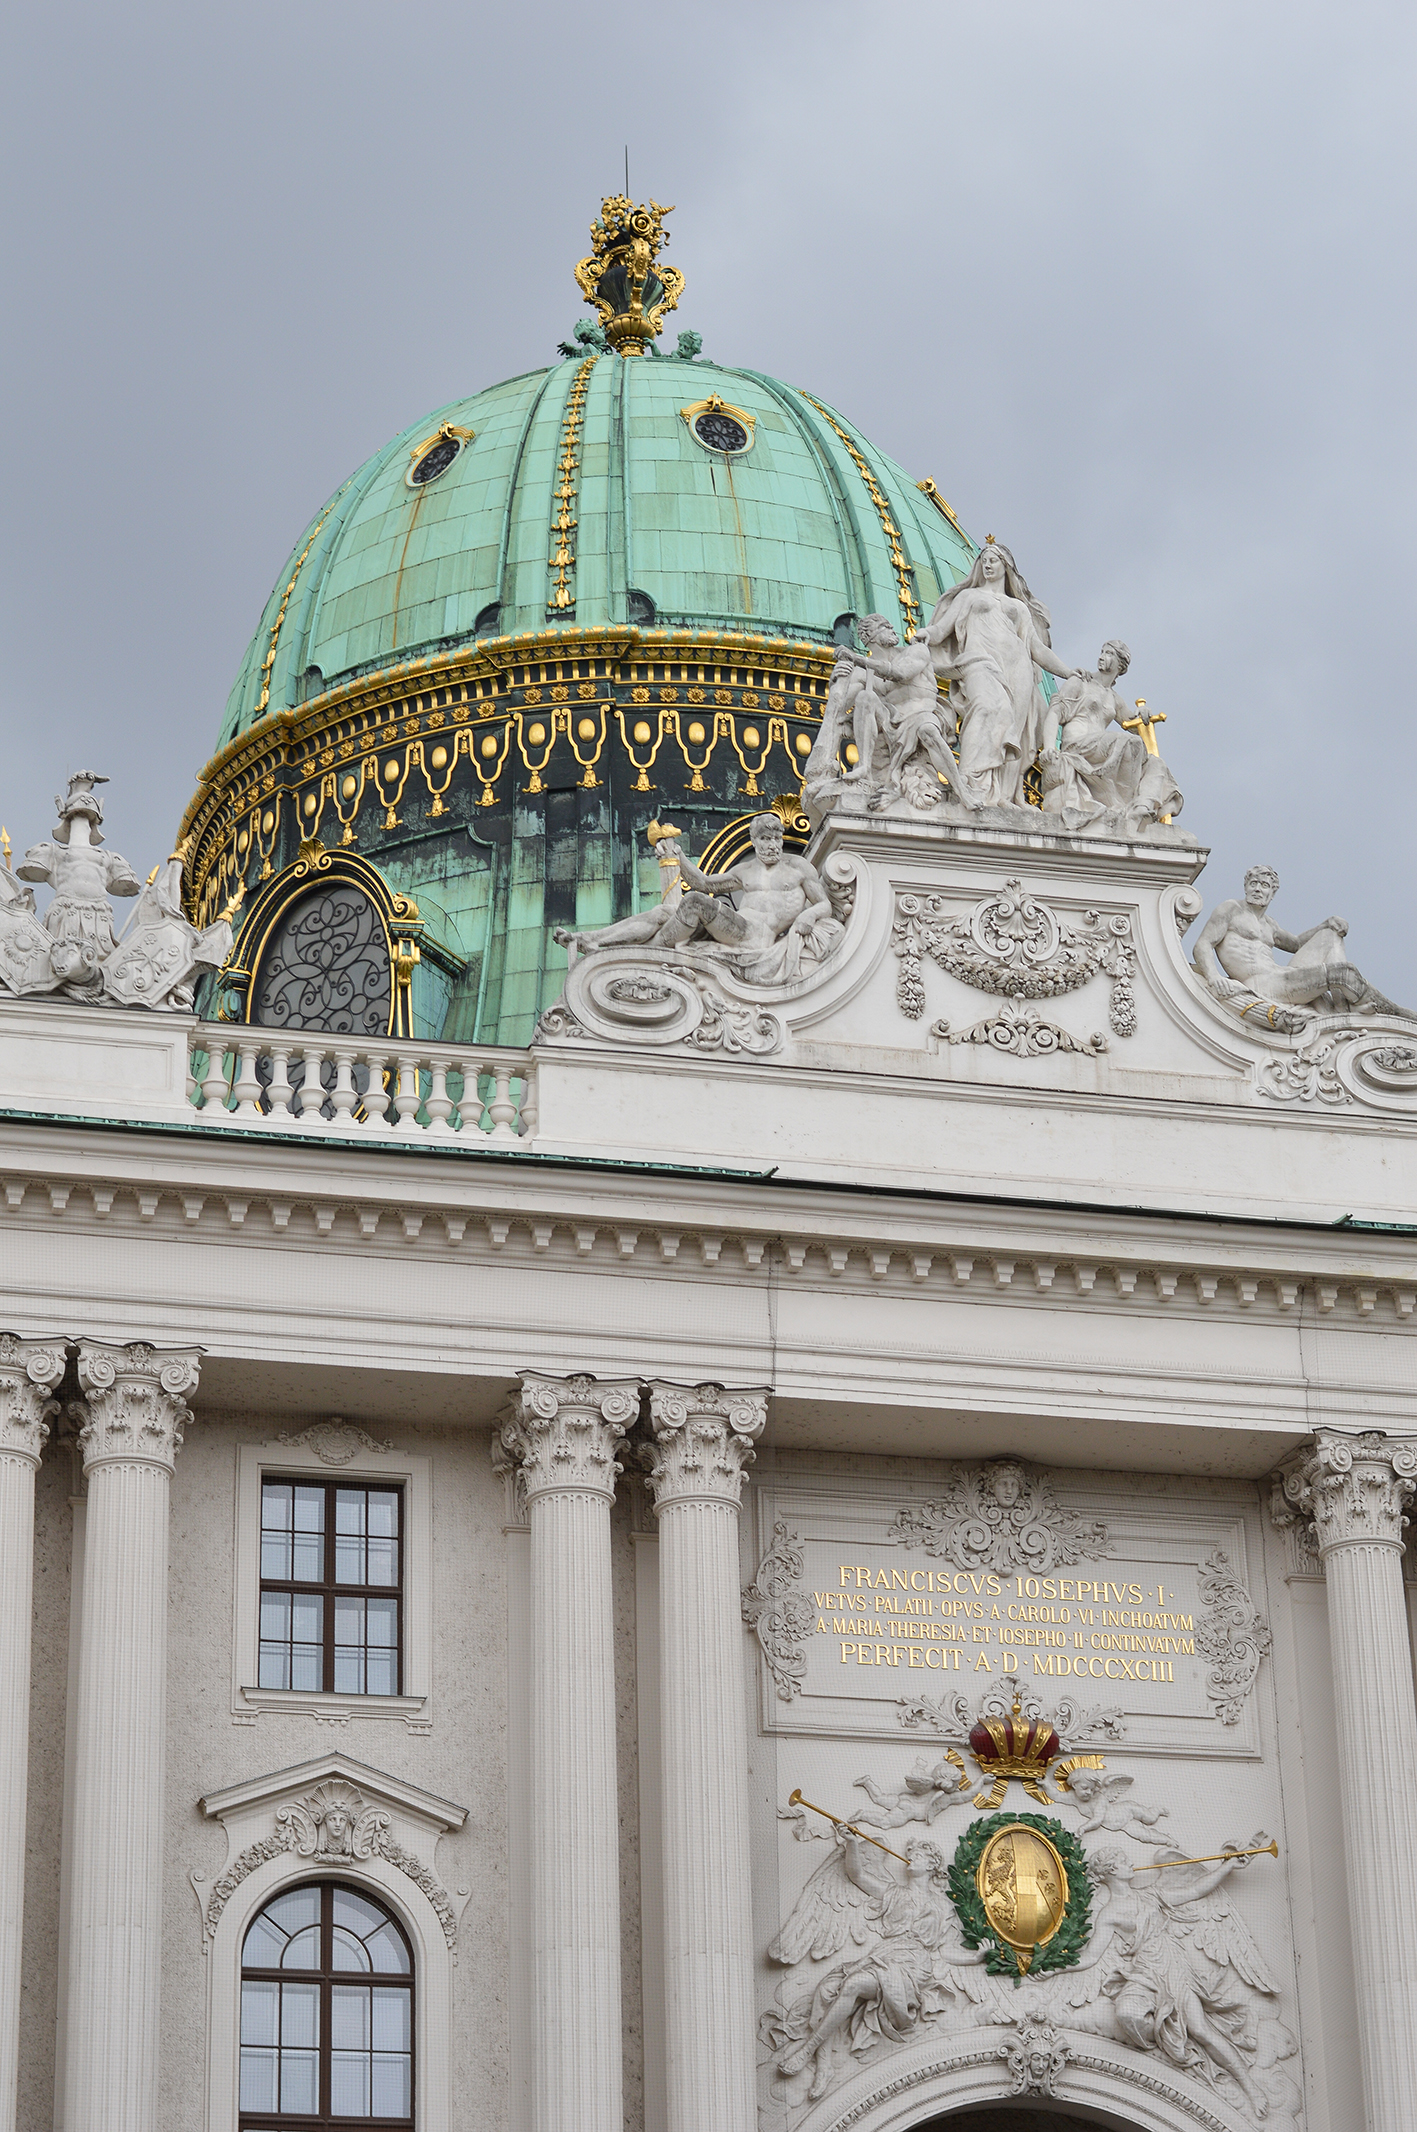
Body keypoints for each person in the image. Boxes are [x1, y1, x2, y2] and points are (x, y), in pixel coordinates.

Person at [922, 540, 1080, 805]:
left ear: (1006, 567)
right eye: (983, 560)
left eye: (993, 560)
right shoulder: (968, 597)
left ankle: (1004, 796)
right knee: (986, 708)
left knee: (1013, 732)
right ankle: (972, 783)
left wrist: (1067, 672)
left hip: (1017, 668)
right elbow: (942, 629)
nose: (987, 565)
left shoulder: (1017, 607)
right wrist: (927, 634)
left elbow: (1036, 649)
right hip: (979, 662)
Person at [1192, 865, 1412, 1030]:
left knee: (1329, 936)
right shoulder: (1231, 909)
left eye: (1264, 885)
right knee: (1344, 973)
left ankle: (1342, 1005)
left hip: (1281, 976)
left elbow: (1296, 944)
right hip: (1262, 984)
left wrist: (1325, 924)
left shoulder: (1269, 924)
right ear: (1246, 886)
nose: (1258, 889)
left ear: (1272, 893)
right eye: (1253, 884)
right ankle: (1396, 1014)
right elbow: (1203, 943)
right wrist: (1213, 977)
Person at [1039, 642, 1181, 825]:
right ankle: (1122, 806)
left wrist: (1142, 714)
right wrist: (1049, 748)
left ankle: (1141, 809)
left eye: (1109, 654)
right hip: (1078, 744)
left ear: (1120, 665)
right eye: (1102, 652)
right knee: (1131, 743)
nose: (1101, 656)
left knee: (1156, 764)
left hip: (1101, 747)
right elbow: (1055, 712)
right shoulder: (1080, 681)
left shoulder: (1114, 698)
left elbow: (1131, 724)